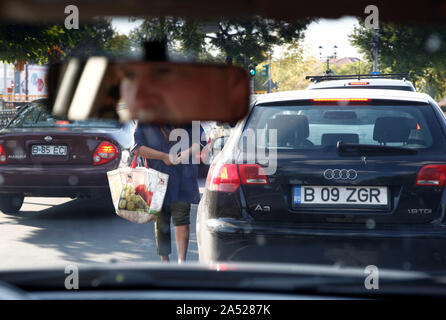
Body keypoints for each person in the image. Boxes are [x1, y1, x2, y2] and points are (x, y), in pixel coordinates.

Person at [133, 122, 203, 263]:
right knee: (161, 220)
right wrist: (164, 156)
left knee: (182, 217)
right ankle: (165, 261)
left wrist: (186, 152)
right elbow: (138, 148)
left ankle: (181, 261)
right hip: (157, 178)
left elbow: (199, 142)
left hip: (184, 176)